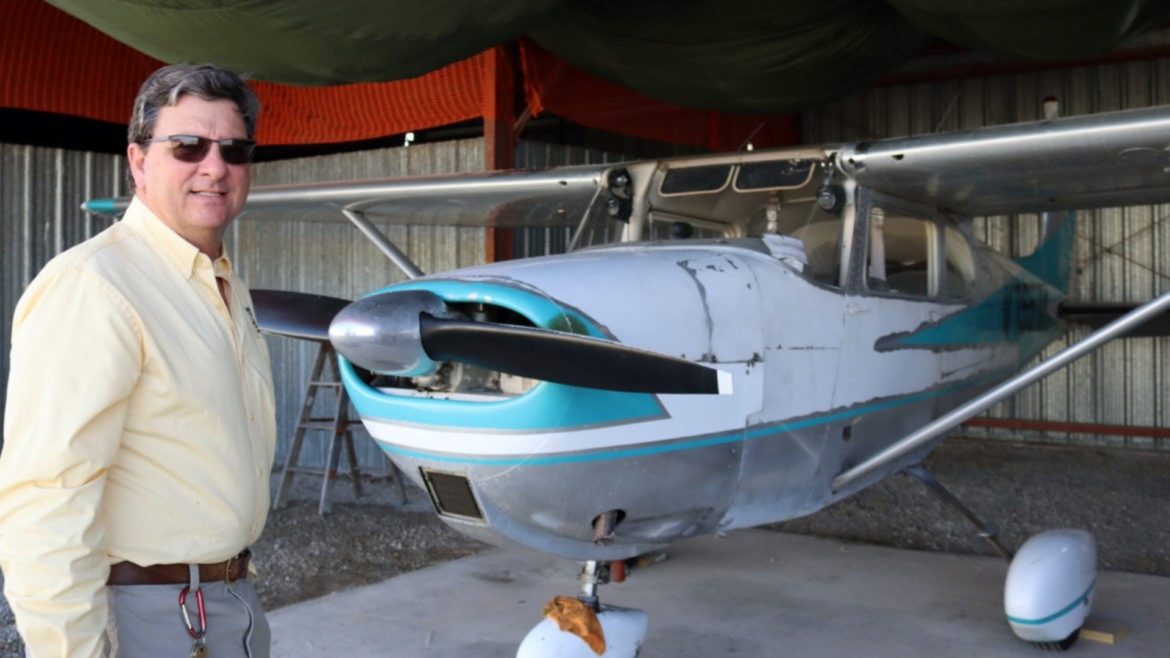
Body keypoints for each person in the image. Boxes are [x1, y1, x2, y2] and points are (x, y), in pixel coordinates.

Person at [0, 64, 276, 657]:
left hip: (228, 601)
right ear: (139, 161)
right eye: (188, 146)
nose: (215, 167)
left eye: (234, 149)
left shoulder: (223, 283)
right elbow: (46, 499)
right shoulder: (94, 287)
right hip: (151, 616)